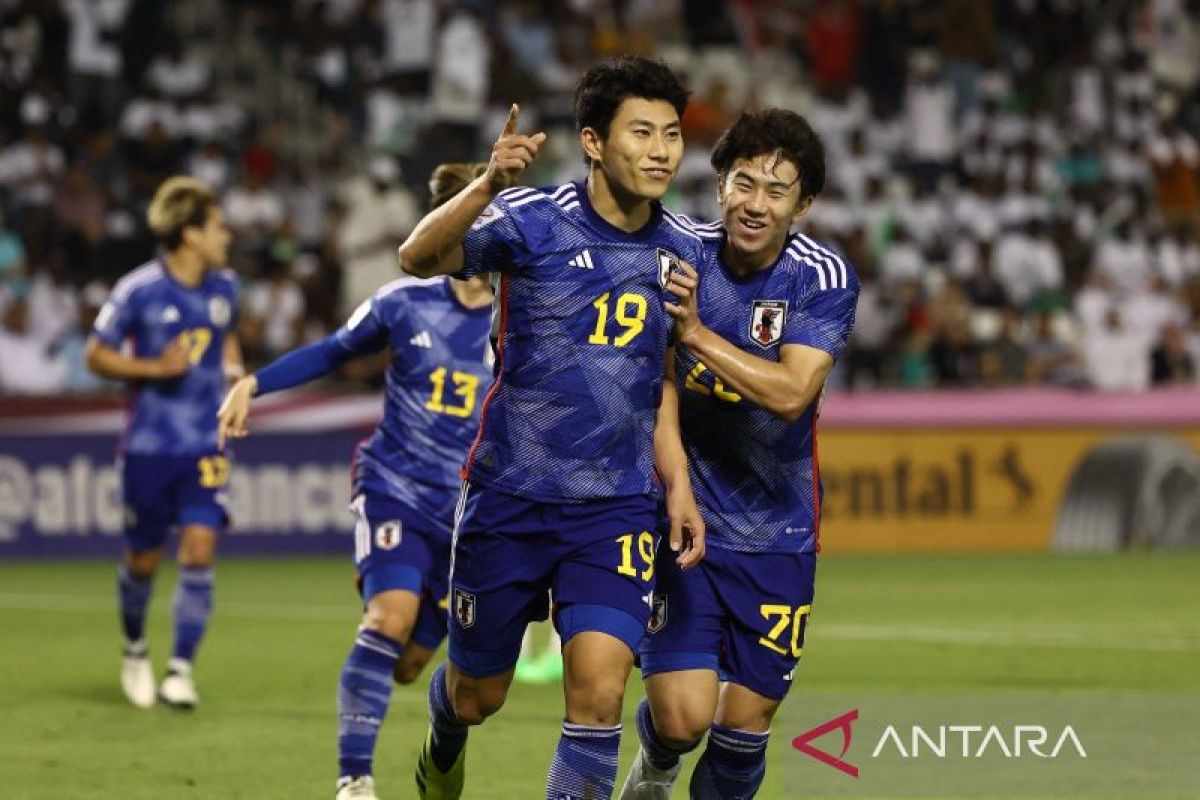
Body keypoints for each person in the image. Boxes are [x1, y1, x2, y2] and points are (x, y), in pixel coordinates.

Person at [397, 56, 706, 800]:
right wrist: (486, 185)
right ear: (595, 142)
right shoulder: (530, 218)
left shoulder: (687, 248)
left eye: (672, 133)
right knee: (479, 696)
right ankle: (444, 739)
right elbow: (415, 257)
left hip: (615, 506)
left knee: (598, 698)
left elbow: (659, 380)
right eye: (642, 132)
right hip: (510, 494)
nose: (662, 149)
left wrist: (680, 487)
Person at [217, 163, 495, 800]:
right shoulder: (403, 303)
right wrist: (253, 383)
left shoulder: (523, 317)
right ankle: (354, 780)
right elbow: (333, 352)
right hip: (395, 482)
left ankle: (422, 742)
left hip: (468, 514)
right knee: (389, 616)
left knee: (410, 665)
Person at [618, 109, 860, 799]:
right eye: (744, 183)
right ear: (720, 185)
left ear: (803, 203)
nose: (756, 203)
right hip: (686, 517)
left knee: (743, 727)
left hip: (779, 529)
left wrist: (695, 334)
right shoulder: (679, 251)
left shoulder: (822, 276)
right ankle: (659, 759)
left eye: (777, 190)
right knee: (684, 716)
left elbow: (790, 393)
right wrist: (678, 485)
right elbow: (656, 379)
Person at [85, 176, 242, 710]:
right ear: (190, 233)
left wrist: (236, 372)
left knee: (199, 548)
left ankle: (179, 670)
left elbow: (229, 336)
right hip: (149, 445)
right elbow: (96, 354)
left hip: (205, 441)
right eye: (218, 226)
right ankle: (134, 649)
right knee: (144, 560)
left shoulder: (225, 288)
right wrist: (153, 366)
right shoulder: (138, 290)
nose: (228, 234)